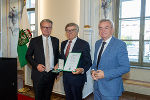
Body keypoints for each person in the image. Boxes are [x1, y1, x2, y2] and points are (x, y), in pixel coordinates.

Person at [91, 19, 130, 100]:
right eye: (100, 28)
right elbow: (95, 63)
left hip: (111, 89)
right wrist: (93, 71)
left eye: (106, 28)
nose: (103, 30)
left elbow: (125, 67)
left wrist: (105, 74)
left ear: (112, 30)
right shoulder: (97, 43)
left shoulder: (120, 44)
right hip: (97, 86)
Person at [26, 19, 59, 100]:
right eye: (45, 27)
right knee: (39, 97)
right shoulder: (34, 41)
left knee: (48, 96)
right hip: (38, 74)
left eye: (49, 27)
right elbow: (28, 56)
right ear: (41, 28)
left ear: (51, 28)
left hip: (51, 74)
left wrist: (58, 65)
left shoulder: (56, 40)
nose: (47, 29)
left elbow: (58, 55)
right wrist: (36, 65)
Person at [60, 23, 92, 100]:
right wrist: (59, 66)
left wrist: (82, 69)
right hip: (66, 77)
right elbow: (62, 58)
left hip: (78, 78)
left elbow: (89, 62)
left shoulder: (84, 44)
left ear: (77, 31)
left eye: (72, 30)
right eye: (67, 30)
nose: (69, 32)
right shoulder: (63, 43)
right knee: (68, 97)